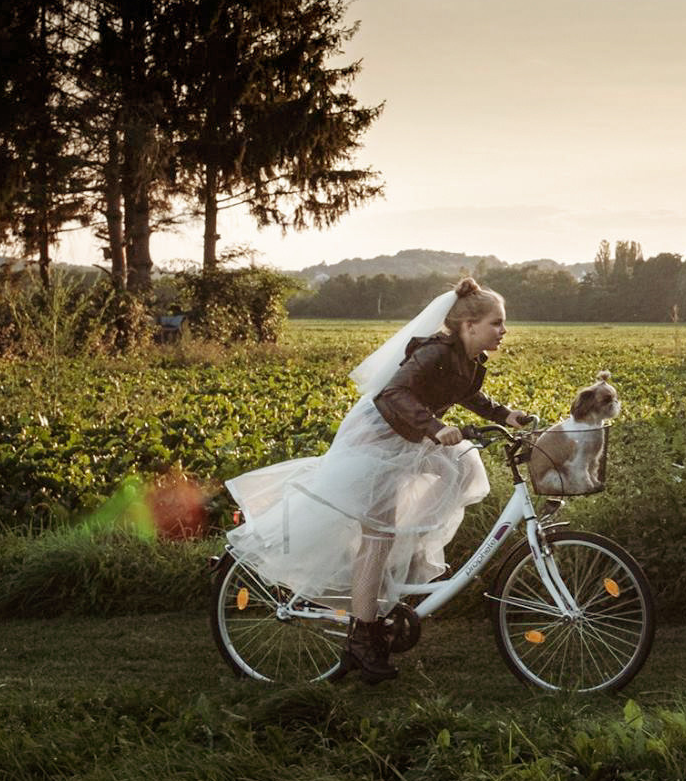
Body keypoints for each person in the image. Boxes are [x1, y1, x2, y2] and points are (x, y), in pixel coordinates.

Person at [224, 277, 537, 683]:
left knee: (458, 468)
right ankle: (362, 637)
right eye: (497, 322)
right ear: (469, 325)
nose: (503, 330)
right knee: (378, 538)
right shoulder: (435, 351)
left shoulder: (467, 359)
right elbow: (391, 394)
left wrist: (504, 415)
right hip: (376, 443)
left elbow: (463, 392)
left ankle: (405, 550)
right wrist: (435, 427)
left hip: (407, 440)